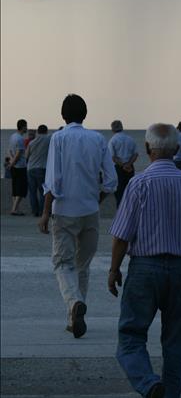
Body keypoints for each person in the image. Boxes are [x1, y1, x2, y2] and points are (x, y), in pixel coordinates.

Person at [108, 123, 181, 398]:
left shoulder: (138, 183)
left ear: (146, 149)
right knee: (177, 345)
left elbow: (121, 235)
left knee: (130, 337)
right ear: (177, 150)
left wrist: (113, 270)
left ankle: (148, 383)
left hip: (144, 268)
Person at [38, 94, 117, 338]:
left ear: (63, 115)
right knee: (82, 265)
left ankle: (73, 303)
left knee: (62, 263)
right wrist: (95, 199)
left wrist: (44, 213)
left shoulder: (59, 138)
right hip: (89, 211)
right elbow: (111, 181)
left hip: (64, 211)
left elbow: (53, 181)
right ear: (85, 114)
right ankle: (73, 321)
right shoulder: (98, 139)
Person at [108, 120, 139, 207]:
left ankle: (120, 212)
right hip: (130, 168)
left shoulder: (112, 140)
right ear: (122, 127)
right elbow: (135, 154)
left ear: (112, 129)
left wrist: (123, 165)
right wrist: (128, 164)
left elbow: (113, 157)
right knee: (130, 190)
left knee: (119, 191)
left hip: (118, 168)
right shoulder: (130, 139)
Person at [26, 124, 51, 217]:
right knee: (43, 191)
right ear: (46, 131)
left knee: (32, 192)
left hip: (30, 169)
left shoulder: (31, 142)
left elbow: (27, 156)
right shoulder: (49, 139)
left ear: (38, 131)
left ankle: (34, 211)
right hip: (42, 168)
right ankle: (42, 211)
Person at [8, 119, 28, 215]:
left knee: (15, 188)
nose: (27, 128)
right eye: (26, 126)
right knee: (21, 189)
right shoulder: (20, 139)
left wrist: (11, 162)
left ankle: (15, 208)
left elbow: (11, 151)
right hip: (20, 167)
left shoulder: (13, 136)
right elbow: (18, 153)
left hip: (14, 166)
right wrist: (13, 163)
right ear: (23, 126)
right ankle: (14, 209)